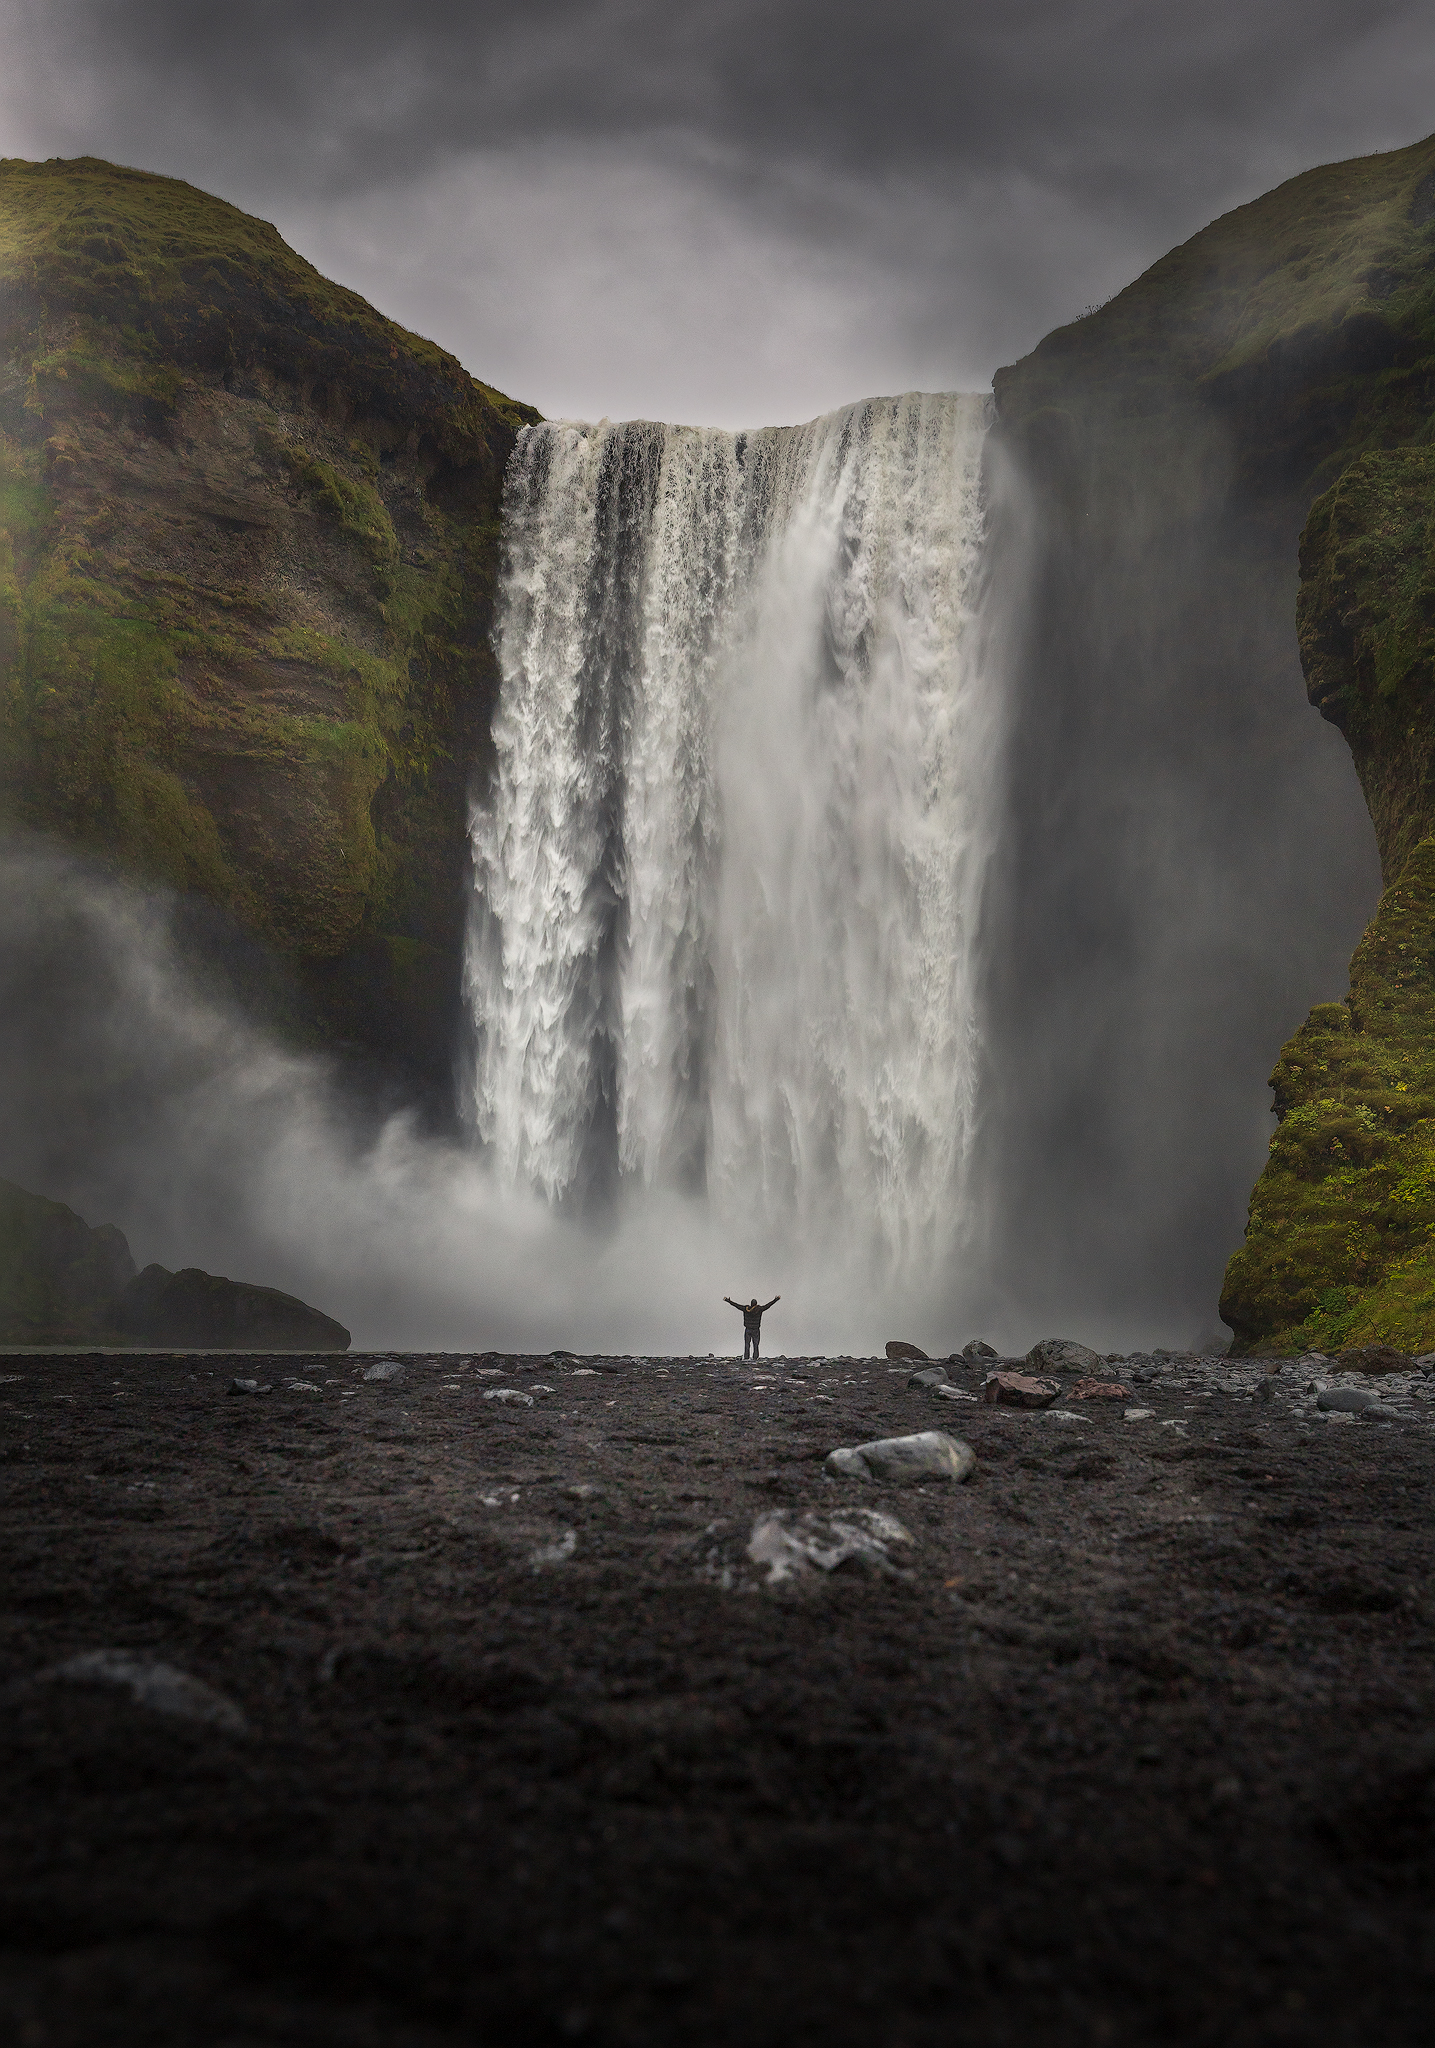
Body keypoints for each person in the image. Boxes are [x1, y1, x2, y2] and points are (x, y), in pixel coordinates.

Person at [724, 1292, 780, 1361]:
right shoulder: (759, 1309)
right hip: (756, 1329)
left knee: (747, 1344)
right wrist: (775, 1300)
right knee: (756, 1344)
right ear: (756, 1304)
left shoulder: (746, 1309)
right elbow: (768, 1305)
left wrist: (729, 1301)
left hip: (748, 1329)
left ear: (751, 1304)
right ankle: (755, 1357)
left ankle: (746, 1357)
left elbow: (737, 1305)